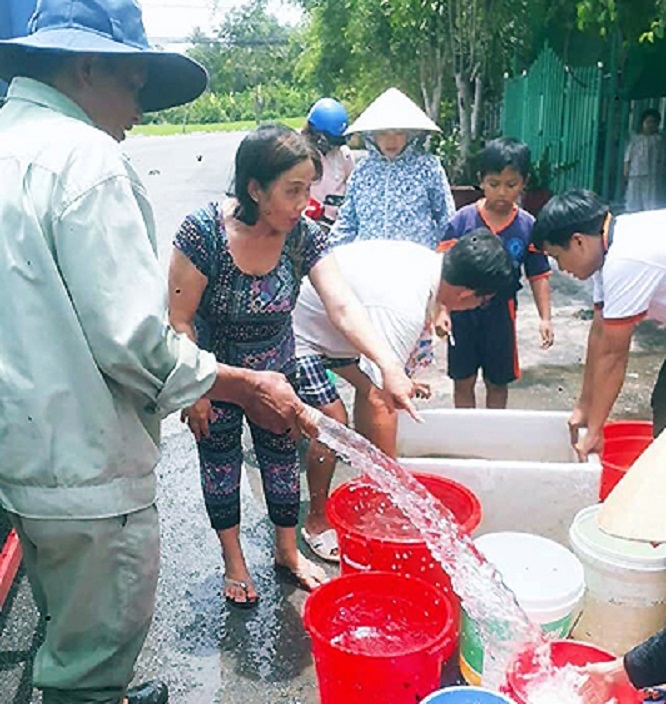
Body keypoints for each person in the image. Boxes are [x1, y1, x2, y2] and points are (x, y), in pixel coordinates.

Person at [0, 2, 319, 703]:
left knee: (66, 615)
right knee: (92, 654)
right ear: (88, 67)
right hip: (85, 471)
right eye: (136, 86)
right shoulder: (87, 161)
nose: (140, 112)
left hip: (22, 459)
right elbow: (136, 341)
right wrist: (242, 385)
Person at [168, 124, 418, 604]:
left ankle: (287, 552)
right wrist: (194, 389)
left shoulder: (303, 237)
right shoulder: (202, 233)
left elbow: (342, 305)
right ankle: (234, 561)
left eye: (309, 189)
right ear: (255, 188)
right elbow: (179, 319)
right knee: (220, 468)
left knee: (283, 465)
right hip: (217, 378)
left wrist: (388, 363)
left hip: (277, 377)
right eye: (293, 190)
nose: (305, 202)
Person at [295, 232, 516, 561]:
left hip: (334, 329)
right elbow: (380, 400)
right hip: (299, 333)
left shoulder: (428, 266)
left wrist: (397, 382)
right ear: (468, 294)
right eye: (480, 302)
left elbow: (377, 384)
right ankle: (316, 522)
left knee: (371, 393)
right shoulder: (404, 306)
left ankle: (372, 482)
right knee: (333, 424)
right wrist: (395, 485)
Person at [532, 189, 666, 460]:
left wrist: (595, 430)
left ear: (578, 241)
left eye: (557, 257)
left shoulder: (625, 260)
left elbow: (614, 355)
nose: (561, 268)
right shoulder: (608, 249)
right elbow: (599, 333)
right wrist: (584, 406)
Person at [438, 137, 554, 409]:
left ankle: (495, 430)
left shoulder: (528, 226)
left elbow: (538, 274)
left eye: (511, 185)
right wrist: (441, 310)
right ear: (481, 180)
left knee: (498, 382)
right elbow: (442, 270)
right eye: (494, 184)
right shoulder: (462, 220)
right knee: (463, 380)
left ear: (524, 182)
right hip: (462, 312)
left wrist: (545, 318)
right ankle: (466, 431)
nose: (502, 192)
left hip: (502, 313)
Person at [331, 87, 455, 250]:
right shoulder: (362, 170)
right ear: (371, 136)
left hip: (417, 259)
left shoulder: (428, 167)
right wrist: (329, 255)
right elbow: (347, 222)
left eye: (398, 133)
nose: (391, 140)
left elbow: (446, 219)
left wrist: (445, 256)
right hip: (368, 258)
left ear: (410, 134)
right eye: (383, 133)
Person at [302, 97, 355, 230]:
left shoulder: (344, 155)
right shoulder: (299, 155)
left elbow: (354, 185)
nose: (334, 147)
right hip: (308, 221)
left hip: (338, 222)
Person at [624, 108, 666, 213]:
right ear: (642, 123)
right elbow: (628, 157)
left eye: (654, 122)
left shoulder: (659, 140)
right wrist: (626, 171)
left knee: (651, 202)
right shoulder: (635, 139)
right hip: (635, 174)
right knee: (634, 201)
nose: (651, 125)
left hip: (653, 176)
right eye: (648, 122)